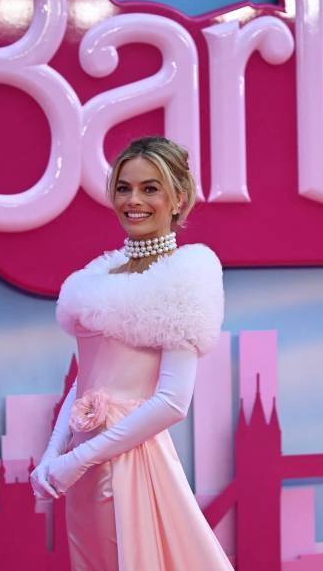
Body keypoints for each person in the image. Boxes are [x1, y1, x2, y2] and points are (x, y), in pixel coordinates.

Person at [30, 136, 233, 570]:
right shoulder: (96, 277)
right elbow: (86, 384)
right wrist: (53, 455)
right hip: (83, 470)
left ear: (179, 198)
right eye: (124, 188)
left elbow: (173, 403)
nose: (134, 200)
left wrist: (77, 459)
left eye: (150, 188)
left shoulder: (186, 276)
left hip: (132, 466)